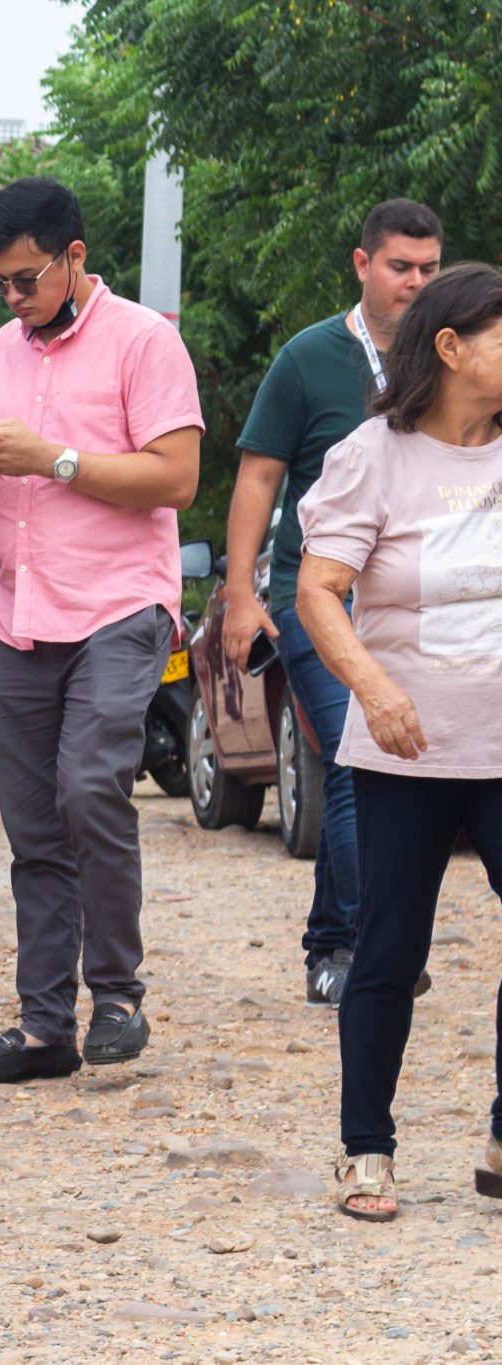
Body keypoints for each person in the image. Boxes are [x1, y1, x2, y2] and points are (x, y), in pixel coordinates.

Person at [0, 176, 203, 1085]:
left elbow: (176, 477)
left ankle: (118, 996)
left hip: (119, 606)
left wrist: (50, 458)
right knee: (33, 828)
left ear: (74, 257)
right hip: (18, 613)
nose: (13, 297)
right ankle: (44, 1026)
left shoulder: (145, 340)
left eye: (27, 279)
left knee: (91, 786)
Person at [296, 261, 502, 1222]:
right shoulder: (373, 456)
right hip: (408, 749)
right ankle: (365, 1149)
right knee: (387, 946)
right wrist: (372, 687)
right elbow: (318, 591)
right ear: (451, 347)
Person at [222, 199, 444, 1007]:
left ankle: (333, 943)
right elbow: (259, 476)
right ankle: (376, 948)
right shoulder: (309, 358)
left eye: (429, 269)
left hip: (413, 602)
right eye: (399, 267)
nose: (415, 282)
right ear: (362, 264)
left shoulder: (454, 358)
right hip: (315, 593)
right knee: (355, 759)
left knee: (374, 766)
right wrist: (239, 594)